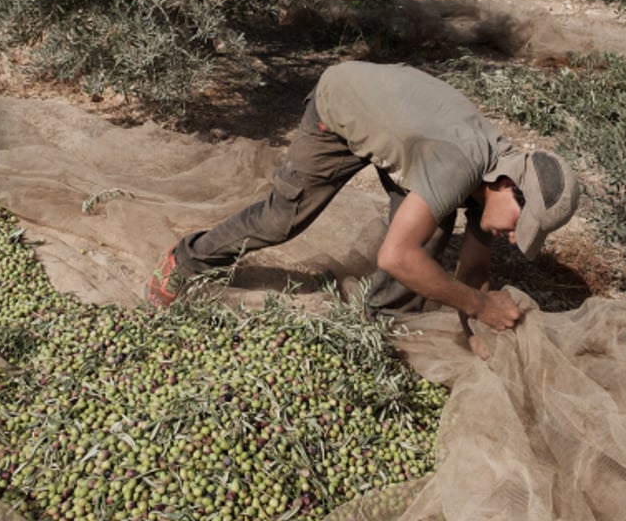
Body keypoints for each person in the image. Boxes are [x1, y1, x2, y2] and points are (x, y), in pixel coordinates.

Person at [147, 61, 580, 333]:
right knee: (284, 217)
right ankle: (185, 260)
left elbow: (474, 265)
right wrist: (479, 305)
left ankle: (384, 324)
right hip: (342, 105)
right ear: (509, 186)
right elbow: (394, 257)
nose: (511, 236)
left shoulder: (496, 178)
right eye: (518, 226)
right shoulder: (459, 166)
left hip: (405, 131)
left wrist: (479, 327)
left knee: (432, 232)